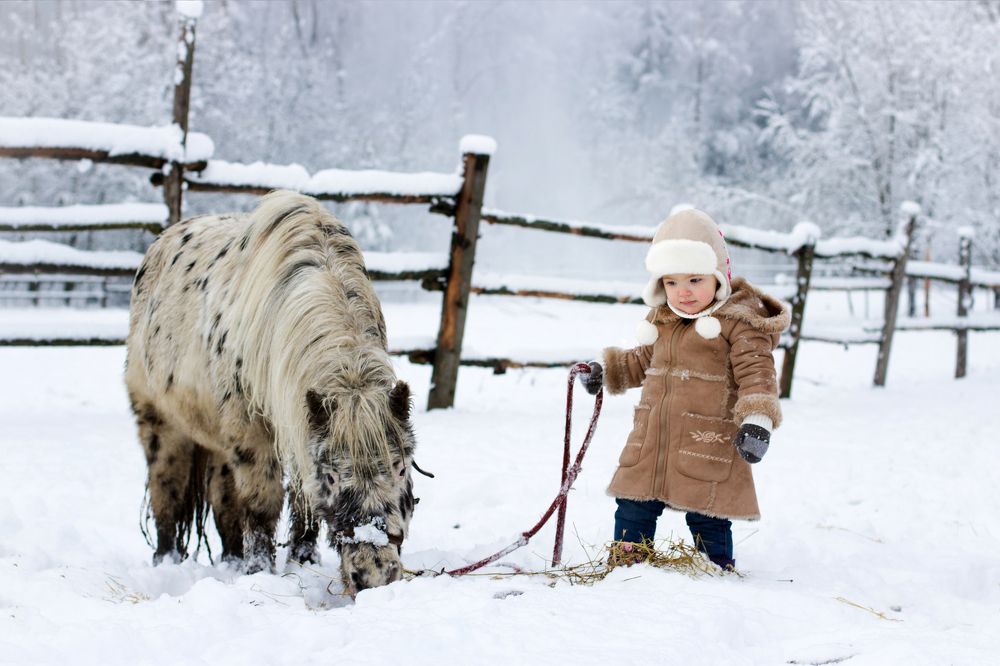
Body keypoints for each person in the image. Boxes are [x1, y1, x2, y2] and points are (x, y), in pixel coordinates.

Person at [579, 208, 790, 570]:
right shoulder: (664, 319)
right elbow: (644, 360)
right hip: (653, 438)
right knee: (633, 501)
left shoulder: (737, 323)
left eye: (695, 280)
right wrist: (608, 371)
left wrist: (757, 420)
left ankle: (714, 566)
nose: (683, 293)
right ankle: (627, 565)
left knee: (707, 510)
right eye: (672, 282)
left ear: (719, 275)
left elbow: (758, 371)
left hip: (705, 439)